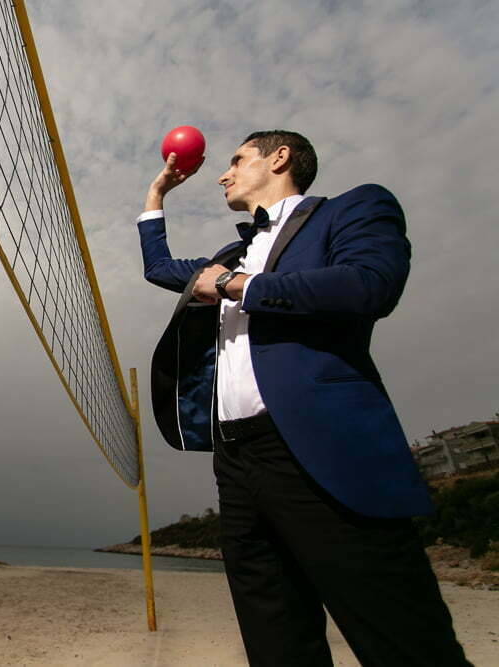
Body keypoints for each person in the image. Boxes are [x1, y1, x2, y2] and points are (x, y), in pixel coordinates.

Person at [137, 131, 469, 666]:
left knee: (404, 641)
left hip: (317, 446)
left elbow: (370, 285)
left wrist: (238, 286)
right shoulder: (230, 254)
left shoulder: (351, 209)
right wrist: (157, 195)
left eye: (237, 160)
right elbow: (158, 268)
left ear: (279, 157)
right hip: (235, 461)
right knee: (277, 641)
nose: (223, 173)